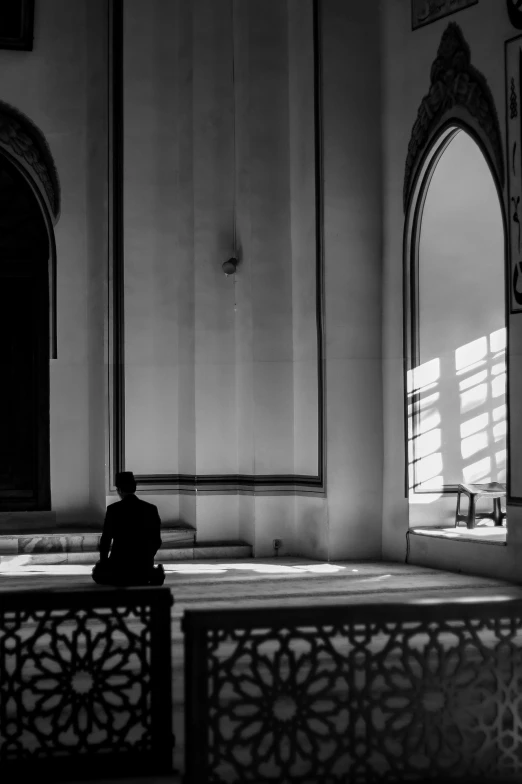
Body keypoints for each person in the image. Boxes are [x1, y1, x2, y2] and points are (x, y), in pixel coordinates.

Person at [92, 471, 165, 586]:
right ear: (134, 487)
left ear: (119, 490)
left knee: (98, 573)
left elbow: (105, 540)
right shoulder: (150, 509)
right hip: (143, 568)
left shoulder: (113, 510)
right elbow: (156, 541)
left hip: (119, 568)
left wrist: (104, 562)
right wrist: (146, 557)